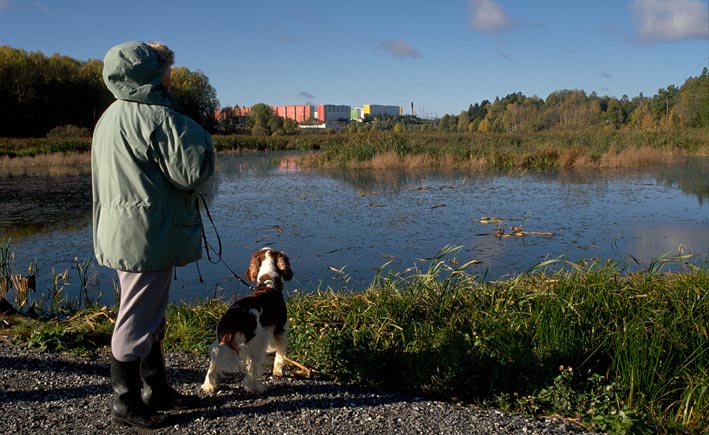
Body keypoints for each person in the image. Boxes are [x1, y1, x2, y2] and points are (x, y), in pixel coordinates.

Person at [92, 40, 215, 429]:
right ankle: (126, 404)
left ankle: (156, 388)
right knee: (137, 316)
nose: (171, 76)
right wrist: (192, 128)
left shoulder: (110, 115)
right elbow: (193, 172)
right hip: (145, 231)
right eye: (168, 68)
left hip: (126, 230)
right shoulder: (155, 117)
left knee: (148, 312)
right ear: (153, 71)